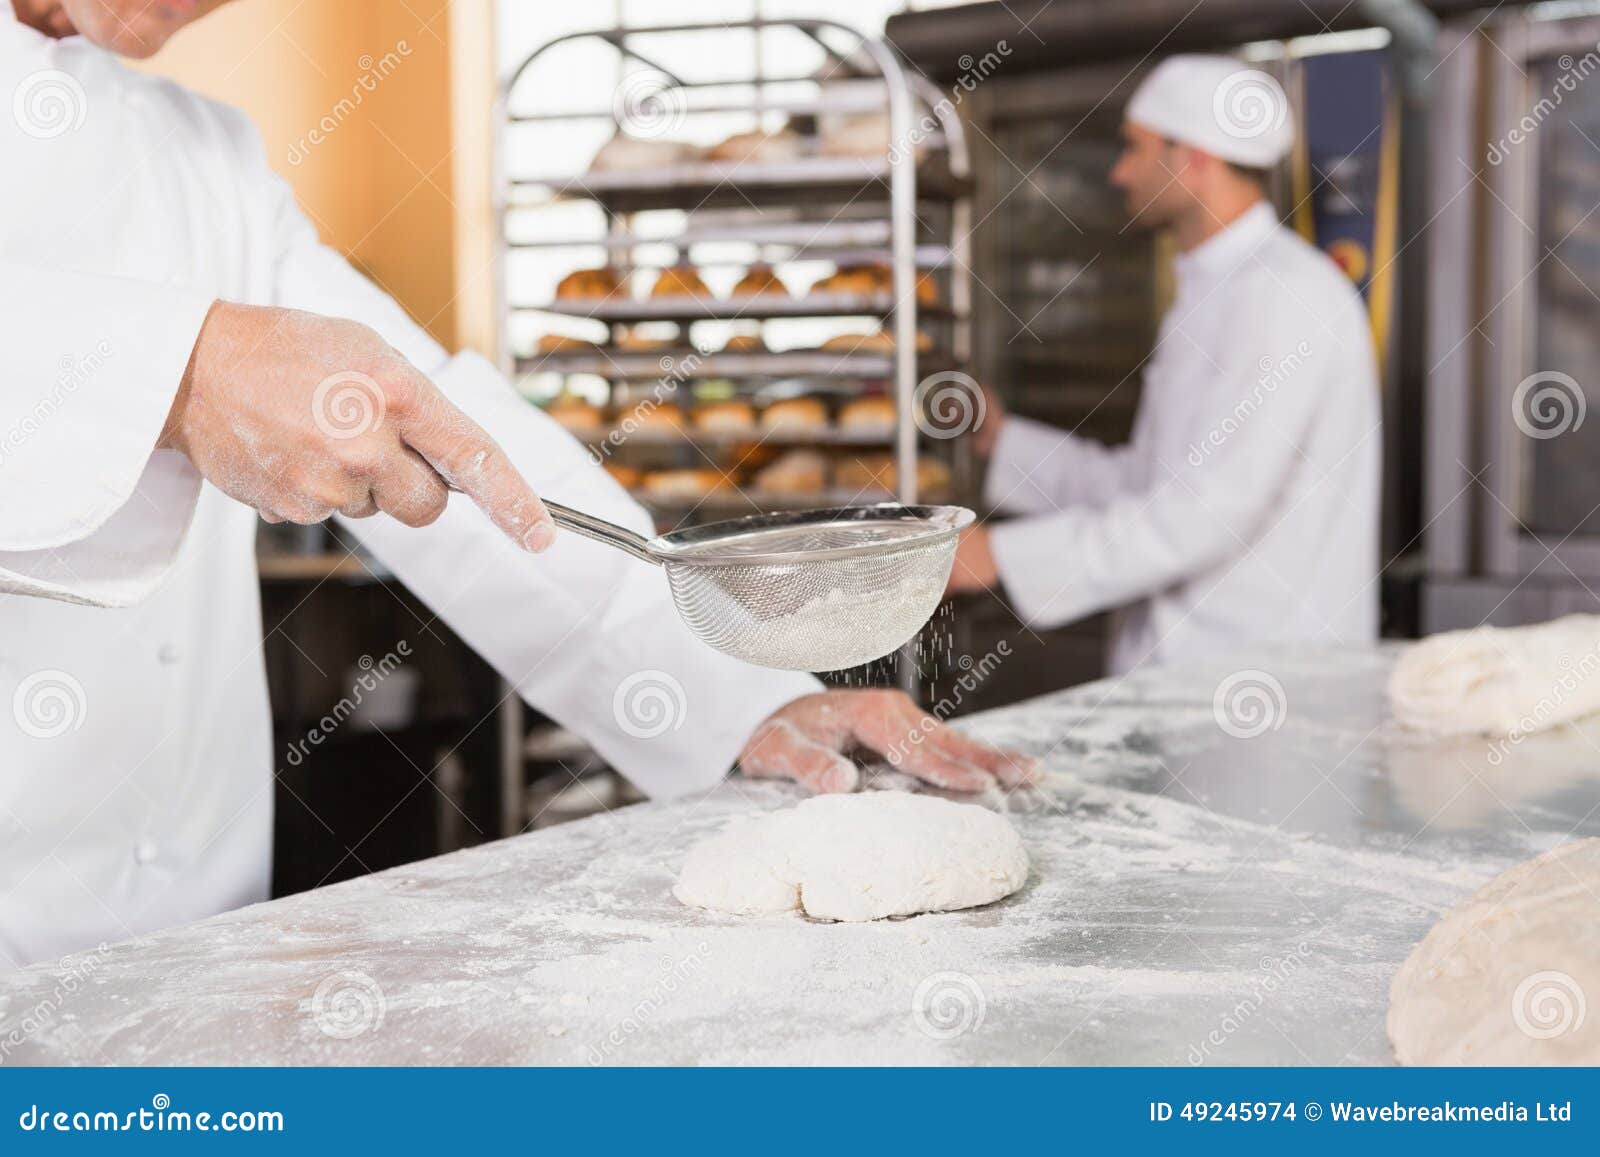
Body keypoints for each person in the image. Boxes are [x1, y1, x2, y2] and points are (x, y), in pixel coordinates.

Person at [0, 0, 1034, 970]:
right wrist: (172, 369)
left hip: (192, 924)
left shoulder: (203, 152)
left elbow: (444, 430)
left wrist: (732, 695)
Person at [947, 55, 1381, 676]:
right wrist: (1003, 441)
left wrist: (995, 557)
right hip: (1194, 678)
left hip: (1263, 689)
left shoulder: (1284, 297)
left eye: (1135, 148)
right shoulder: (1217, 289)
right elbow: (1155, 486)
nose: (1120, 173)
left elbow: (1204, 513)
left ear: (1192, 159)